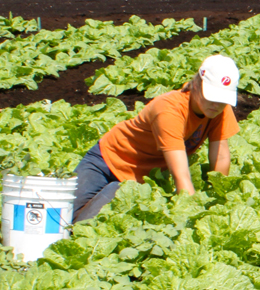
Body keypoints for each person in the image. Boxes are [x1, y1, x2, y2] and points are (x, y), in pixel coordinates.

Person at [72, 54, 241, 222]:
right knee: (62, 217)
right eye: (211, 96)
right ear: (197, 84)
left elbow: (221, 155)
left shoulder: (219, 109)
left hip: (137, 181)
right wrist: (190, 212)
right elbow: (180, 174)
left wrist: (218, 198)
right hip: (105, 161)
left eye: (222, 99)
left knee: (82, 225)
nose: (216, 104)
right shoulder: (169, 109)